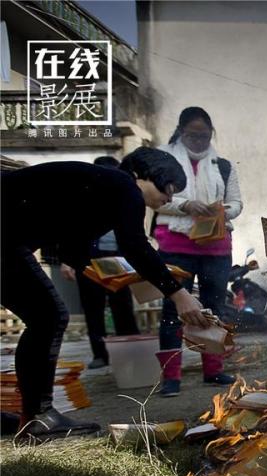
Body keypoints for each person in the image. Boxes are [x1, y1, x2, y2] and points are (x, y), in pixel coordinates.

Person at [1, 148, 211, 440]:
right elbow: (135, 246)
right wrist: (178, 295)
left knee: (45, 316)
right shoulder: (124, 186)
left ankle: (32, 416)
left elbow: (71, 249)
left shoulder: (100, 190)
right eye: (169, 187)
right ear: (145, 175)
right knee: (47, 316)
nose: (169, 198)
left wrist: (117, 275)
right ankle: (38, 417)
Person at [153, 106, 243, 397]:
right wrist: (185, 205)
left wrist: (221, 210)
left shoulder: (223, 165)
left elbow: (237, 204)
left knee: (213, 307)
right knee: (173, 309)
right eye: (193, 135)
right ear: (181, 132)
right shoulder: (163, 160)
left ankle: (213, 370)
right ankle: (171, 377)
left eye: (205, 136)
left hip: (215, 245)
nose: (199, 141)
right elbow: (154, 199)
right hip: (175, 245)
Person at [56, 156, 141, 369]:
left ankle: (130, 351)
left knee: (122, 307)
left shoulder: (125, 199)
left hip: (118, 260)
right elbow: (66, 234)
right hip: (89, 261)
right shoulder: (81, 201)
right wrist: (66, 262)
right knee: (93, 309)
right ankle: (100, 355)